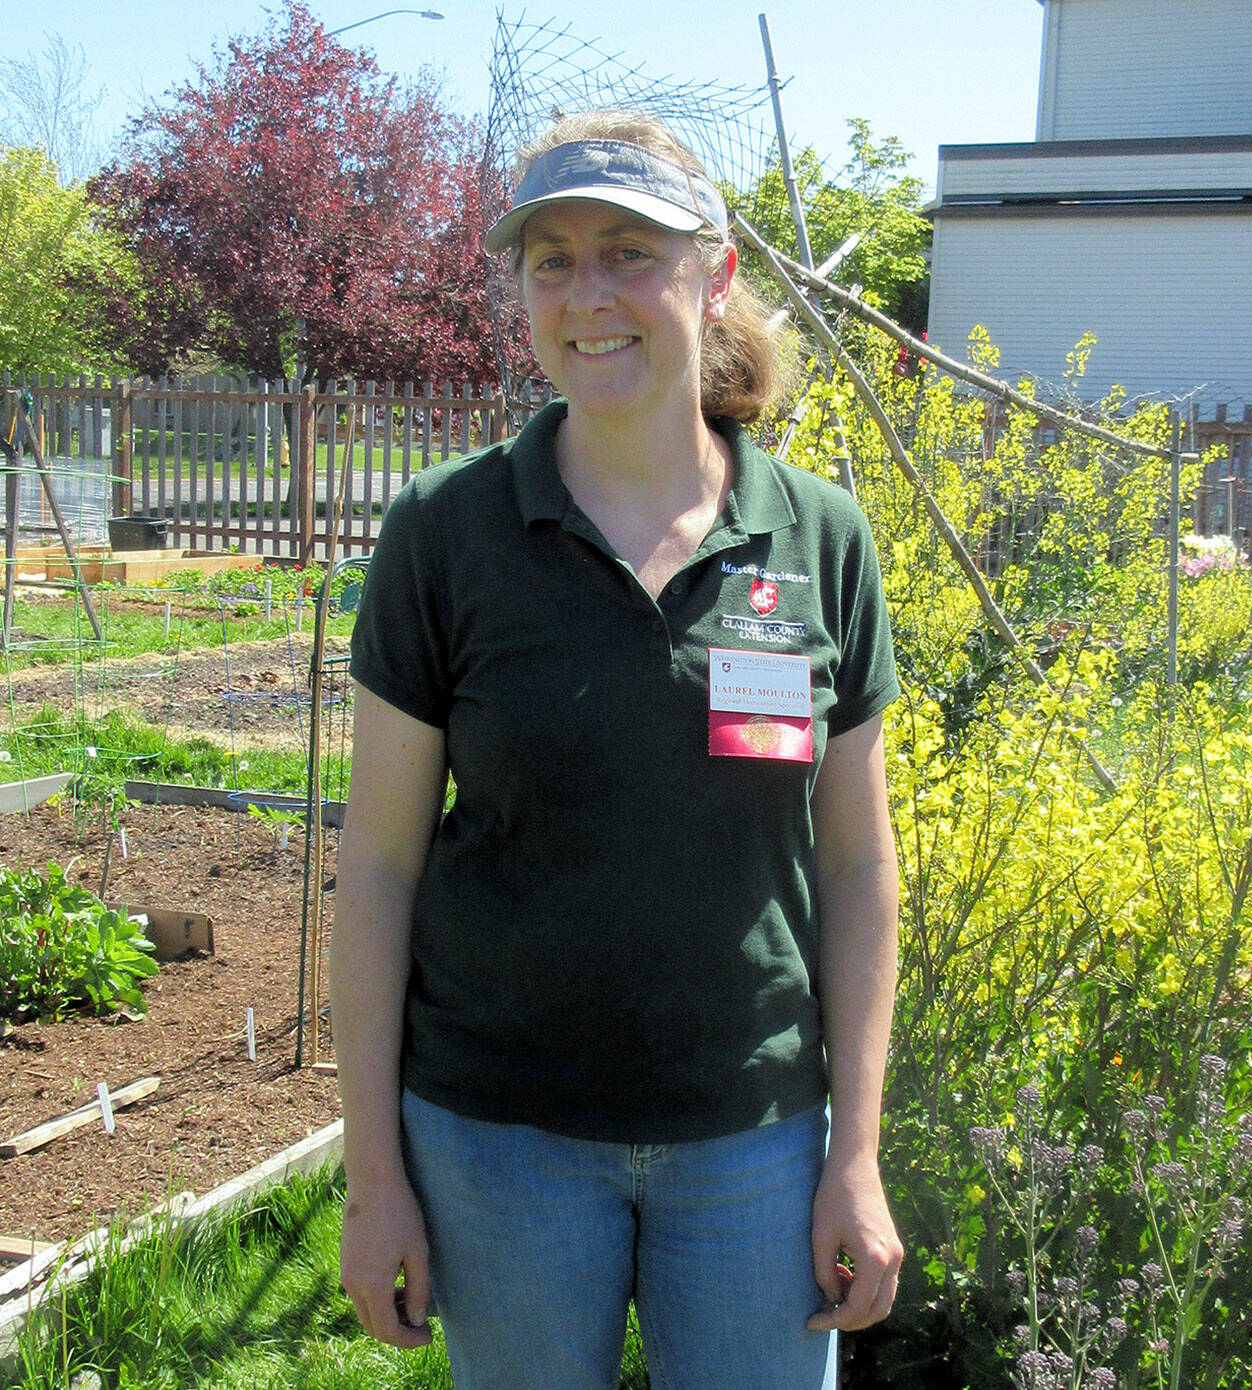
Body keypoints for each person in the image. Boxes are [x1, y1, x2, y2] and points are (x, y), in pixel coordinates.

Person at [331, 108, 903, 1390]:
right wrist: (374, 1178)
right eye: (552, 260)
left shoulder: (817, 537)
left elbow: (859, 866)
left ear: (715, 272)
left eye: (629, 252)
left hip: (754, 1142)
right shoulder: (445, 532)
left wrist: (854, 1153)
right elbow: (376, 867)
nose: (587, 295)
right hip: (497, 1140)